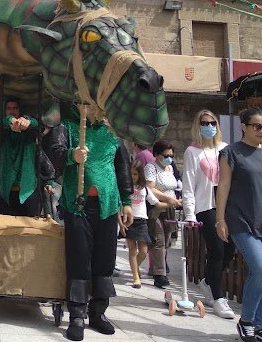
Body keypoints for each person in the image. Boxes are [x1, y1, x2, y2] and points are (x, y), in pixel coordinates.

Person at [43, 107, 133, 341]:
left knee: (105, 260)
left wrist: (126, 202)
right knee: (79, 259)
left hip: (108, 205)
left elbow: (122, 168)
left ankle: (98, 312)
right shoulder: (69, 128)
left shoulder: (112, 133)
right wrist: (72, 155)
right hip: (78, 204)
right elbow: (52, 151)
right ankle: (76, 315)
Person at [217, 107, 262, 342]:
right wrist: (220, 219)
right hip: (240, 219)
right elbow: (223, 187)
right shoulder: (230, 153)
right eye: (257, 126)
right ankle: (246, 322)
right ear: (243, 126)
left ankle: (258, 326)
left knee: (261, 275)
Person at [182, 109, 236, 319]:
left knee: (230, 249)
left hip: (227, 205)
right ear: (198, 125)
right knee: (217, 250)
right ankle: (219, 298)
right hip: (205, 206)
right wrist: (189, 213)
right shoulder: (192, 152)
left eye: (213, 122)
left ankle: (208, 281)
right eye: (204, 122)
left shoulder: (225, 149)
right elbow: (188, 183)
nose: (209, 126)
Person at [0, 98, 55, 217]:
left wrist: (28, 121)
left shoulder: (29, 137)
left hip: (28, 192)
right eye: (8, 108)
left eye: (15, 108)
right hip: (4, 193)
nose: (12, 111)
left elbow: (39, 133)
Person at [143, 140, 181, 289]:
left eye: (171, 155)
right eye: (166, 155)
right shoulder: (150, 168)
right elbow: (150, 188)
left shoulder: (170, 168)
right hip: (156, 209)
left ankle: (160, 268)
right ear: (157, 155)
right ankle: (160, 274)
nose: (169, 158)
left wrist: (174, 201)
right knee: (158, 240)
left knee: (167, 240)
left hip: (170, 209)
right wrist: (168, 199)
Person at [125, 160, 163, 289]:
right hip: (128, 220)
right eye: (130, 174)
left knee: (143, 250)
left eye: (135, 174)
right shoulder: (125, 188)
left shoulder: (144, 189)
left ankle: (134, 268)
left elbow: (155, 202)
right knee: (132, 249)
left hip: (141, 221)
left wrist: (173, 203)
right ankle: (136, 276)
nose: (133, 177)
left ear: (140, 175)